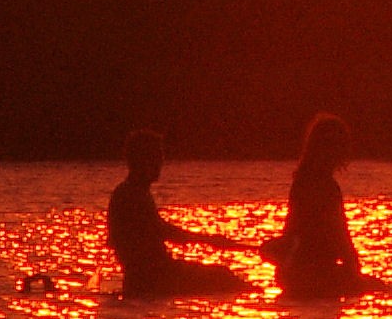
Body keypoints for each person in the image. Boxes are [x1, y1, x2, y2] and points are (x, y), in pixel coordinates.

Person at [107, 132, 255, 297]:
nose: (161, 163)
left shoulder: (133, 192)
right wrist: (210, 240)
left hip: (153, 274)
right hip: (155, 277)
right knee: (225, 278)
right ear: (142, 160)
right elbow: (164, 231)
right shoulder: (130, 195)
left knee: (225, 277)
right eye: (157, 157)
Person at [265, 113, 366, 299]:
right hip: (318, 272)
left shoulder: (301, 182)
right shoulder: (326, 188)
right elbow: (340, 235)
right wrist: (354, 272)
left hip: (294, 271)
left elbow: (290, 232)